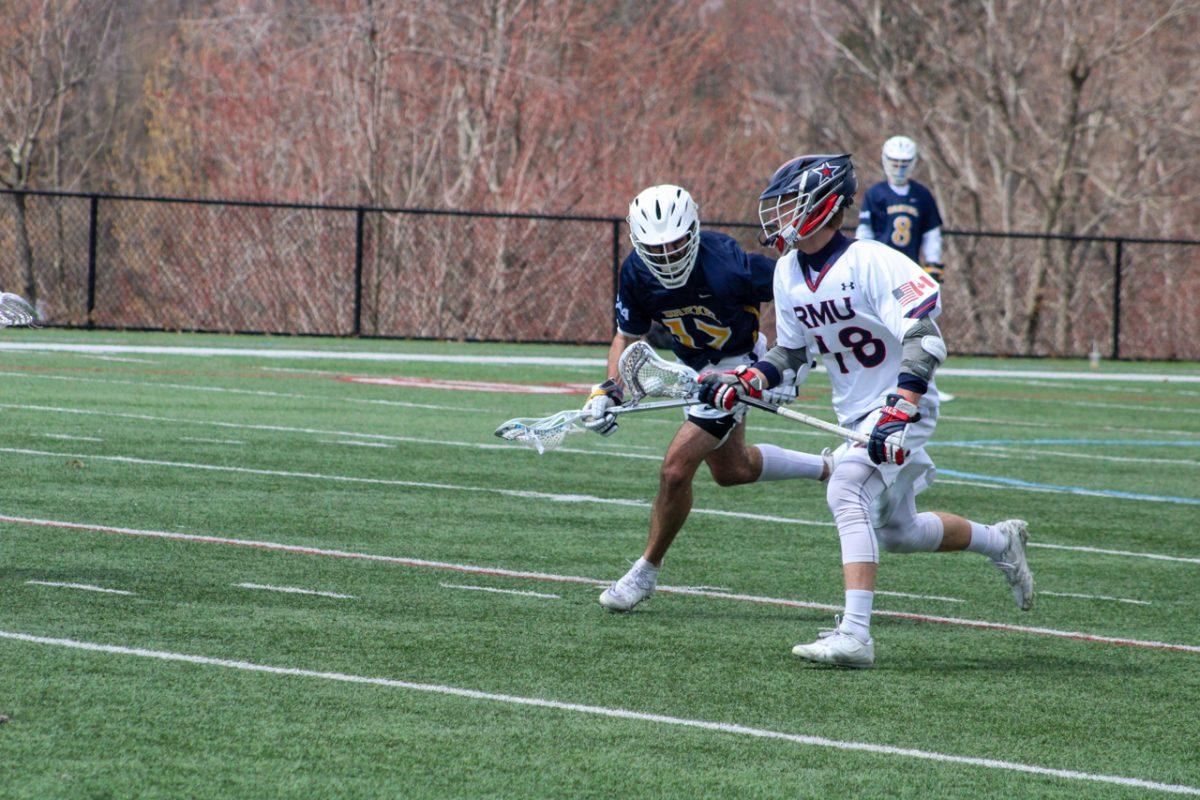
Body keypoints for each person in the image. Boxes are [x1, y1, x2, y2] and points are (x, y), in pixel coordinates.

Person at [699, 155, 1033, 667]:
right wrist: (748, 379)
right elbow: (790, 353)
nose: (781, 215)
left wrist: (902, 405)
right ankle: (1001, 542)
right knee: (899, 532)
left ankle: (856, 635)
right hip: (855, 413)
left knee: (846, 487)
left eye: (792, 203)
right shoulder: (787, 272)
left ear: (824, 206)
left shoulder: (871, 260)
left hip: (902, 403)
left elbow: (925, 338)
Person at [584, 184, 832, 612]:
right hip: (693, 375)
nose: (665, 256)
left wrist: (794, 360)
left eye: (675, 243)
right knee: (732, 470)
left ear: (694, 230)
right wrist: (608, 388)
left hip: (737, 368)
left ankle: (645, 571)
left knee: (675, 470)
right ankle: (829, 466)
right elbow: (626, 335)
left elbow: (804, 294)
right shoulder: (636, 272)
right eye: (655, 248)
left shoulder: (728, 264)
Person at [856, 136, 946, 284]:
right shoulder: (875, 193)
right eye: (895, 163)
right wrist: (862, 260)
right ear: (886, 161)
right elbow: (865, 231)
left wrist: (932, 261)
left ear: (912, 163)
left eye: (904, 163)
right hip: (880, 269)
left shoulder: (922, 194)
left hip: (910, 267)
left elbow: (931, 233)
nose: (899, 168)